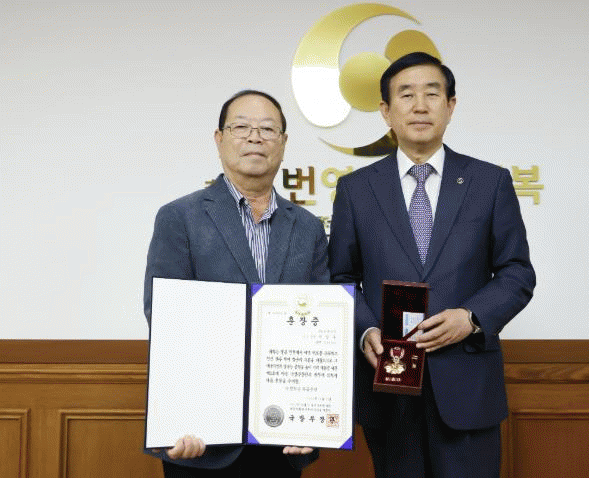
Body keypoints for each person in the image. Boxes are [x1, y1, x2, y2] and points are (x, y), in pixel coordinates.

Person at [329, 52, 536, 478]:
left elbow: (517, 272)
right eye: (406, 95)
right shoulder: (356, 189)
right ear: (386, 111)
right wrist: (365, 330)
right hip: (389, 383)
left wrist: (471, 317)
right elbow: (340, 278)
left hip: (467, 385)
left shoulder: (489, 182)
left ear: (451, 105)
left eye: (432, 94)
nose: (420, 106)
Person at [144, 90, 328, 477]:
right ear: (219, 139)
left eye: (267, 129)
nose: (255, 137)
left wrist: (312, 420)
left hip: (282, 437)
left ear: (283, 142)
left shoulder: (308, 228)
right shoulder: (180, 217)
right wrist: (182, 413)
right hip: (202, 438)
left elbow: (322, 326)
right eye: (241, 127)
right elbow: (165, 319)